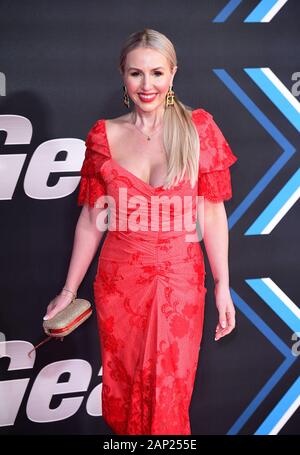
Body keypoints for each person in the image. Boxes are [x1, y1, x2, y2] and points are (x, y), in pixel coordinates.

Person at [43, 28, 237, 435]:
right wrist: (68, 290)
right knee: (125, 390)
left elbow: (213, 214)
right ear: (122, 75)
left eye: (156, 73)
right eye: (136, 74)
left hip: (179, 282)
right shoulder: (103, 135)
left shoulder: (198, 129)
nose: (146, 85)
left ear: (173, 74)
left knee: (168, 394)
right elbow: (92, 221)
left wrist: (223, 285)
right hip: (119, 284)